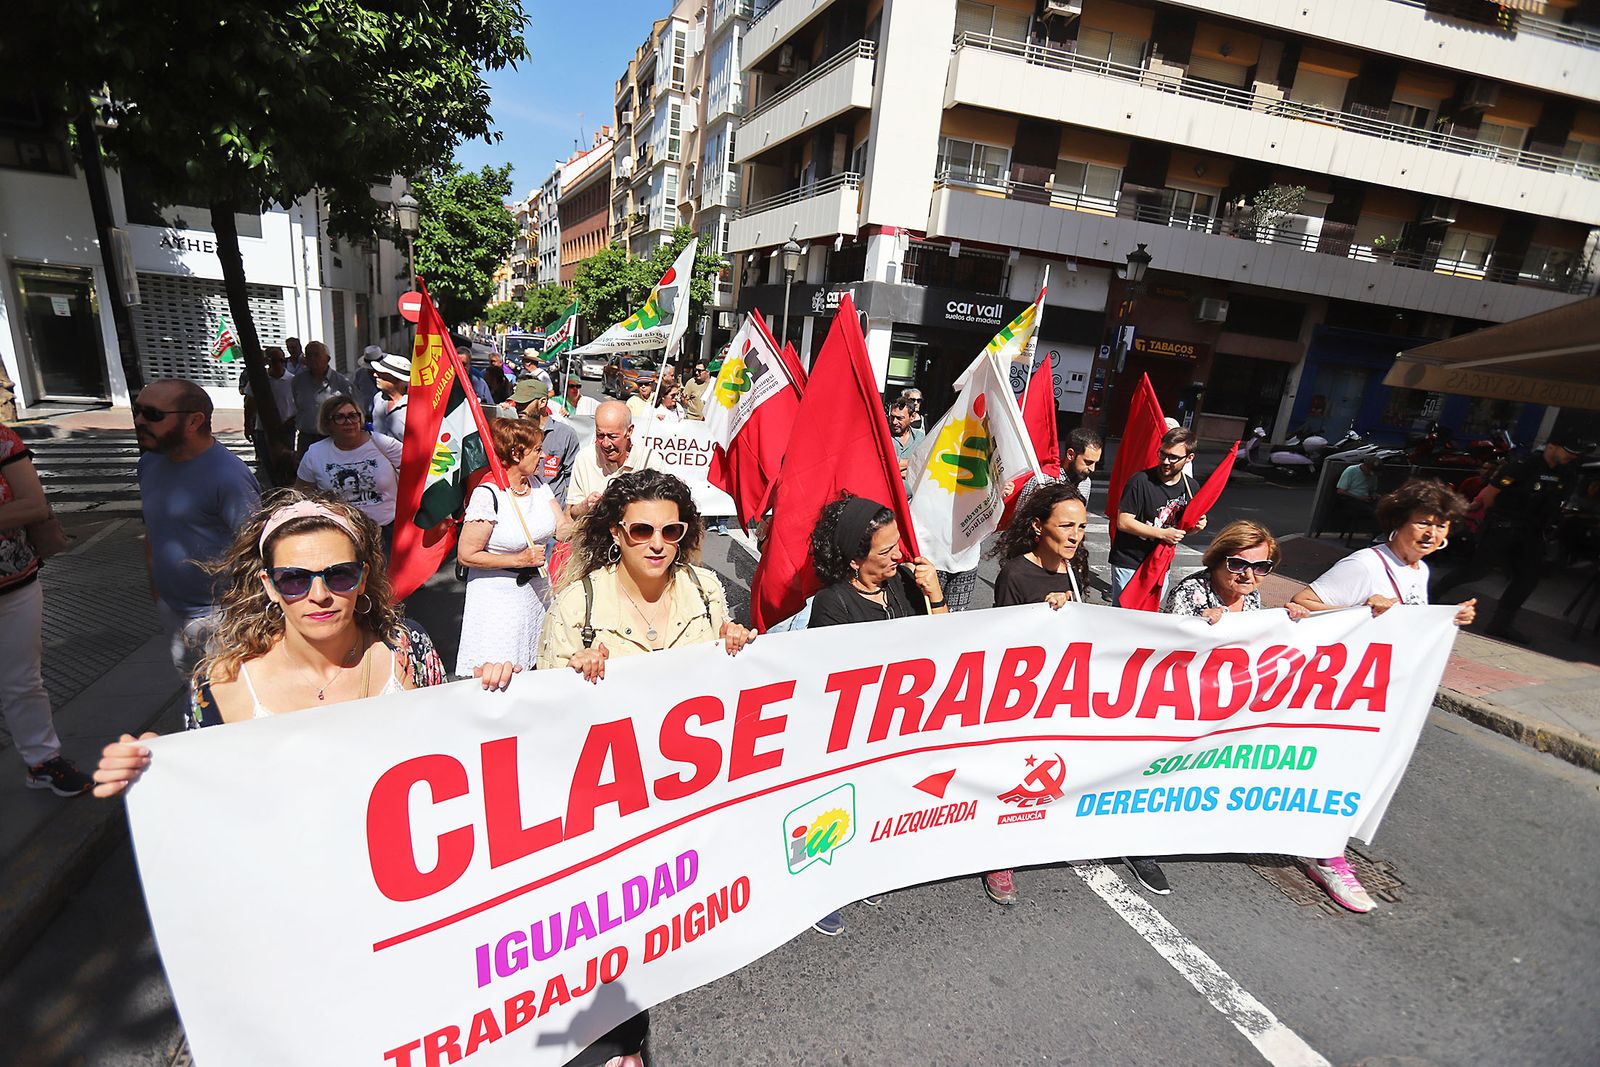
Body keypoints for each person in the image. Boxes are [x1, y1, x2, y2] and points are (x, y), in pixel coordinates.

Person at [536, 469, 753, 1067]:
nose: (657, 543)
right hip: (610, 801)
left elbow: (730, 691)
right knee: (612, 927)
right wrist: (571, 674)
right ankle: (617, 1043)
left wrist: (737, 644)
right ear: (617, 532)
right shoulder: (578, 602)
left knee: (666, 925)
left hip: (685, 796)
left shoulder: (707, 589)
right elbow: (543, 717)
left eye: (671, 531)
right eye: (641, 530)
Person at [92, 492, 518, 791]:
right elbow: (207, 796)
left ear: (363, 578)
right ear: (270, 586)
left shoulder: (409, 649)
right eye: (294, 579)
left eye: (340, 575)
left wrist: (492, 698)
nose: (319, 595)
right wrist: (154, 766)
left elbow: (448, 751)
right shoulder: (222, 683)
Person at [1290, 480, 1476, 913]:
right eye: (1424, 523)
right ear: (1398, 522)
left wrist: (1450, 619)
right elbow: (1301, 604)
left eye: (1441, 526)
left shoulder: (1420, 571)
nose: (1432, 534)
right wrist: (1359, 608)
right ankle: (1329, 857)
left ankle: (1320, 845)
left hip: (1383, 696)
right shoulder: (1366, 565)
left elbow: (1405, 629)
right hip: (1339, 694)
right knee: (1334, 773)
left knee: (1352, 775)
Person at [805, 494, 946, 934]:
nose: (898, 555)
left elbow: (946, 649)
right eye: (885, 551)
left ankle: (863, 867)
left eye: (896, 545)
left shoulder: (905, 582)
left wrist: (935, 597)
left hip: (899, 725)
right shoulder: (832, 605)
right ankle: (819, 888)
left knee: (879, 803)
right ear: (853, 562)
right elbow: (829, 678)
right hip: (850, 732)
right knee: (837, 809)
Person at [979, 482, 1092, 904]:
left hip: (1061, 686)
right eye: (1066, 525)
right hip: (1020, 693)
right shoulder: (1015, 573)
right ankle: (999, 856)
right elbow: (1004, 638)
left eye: (1080, 526)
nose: (1075, 535)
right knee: (1015, 772)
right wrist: (1042, 615)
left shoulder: (1075, 567)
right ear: (1037, 527)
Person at [136, 379, 262, 674]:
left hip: (219, 617)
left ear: (194, 421)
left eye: (153, 414)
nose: (140, 421)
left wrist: (239, 617)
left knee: (224, 700)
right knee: (193, 691)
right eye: (138, 411)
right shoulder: (150, 463)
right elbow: (154, 528)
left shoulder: (229, 477)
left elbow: (254, 552)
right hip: (173, 609)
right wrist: (159, 592)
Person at [0, 423, 93, 796]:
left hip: (15, 583)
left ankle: (43, 761)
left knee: (22, 679)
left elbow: (33, 504)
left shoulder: (3, 440)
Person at [1432, 434, 1592, 643]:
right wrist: (1496, 520)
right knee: (1476, 571)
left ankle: (1501, 623)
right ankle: (1431, 596)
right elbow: (1490, 495)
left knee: (1528, 578)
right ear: (1551, 446)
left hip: (1533, 532)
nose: (1572, 456)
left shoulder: (1567, 473)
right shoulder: (1523, 465)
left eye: (1575, 453)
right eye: (1568, 451)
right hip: (1504, 527)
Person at [457, 419, 569, 676]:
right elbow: (466, 555)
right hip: (499, 603)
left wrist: (592, 516)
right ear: (516, 453)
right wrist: (518, 559)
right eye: (537, 450)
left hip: (537, 594)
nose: (543, 456)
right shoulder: (488, 494)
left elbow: (561, 529)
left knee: (535, 664)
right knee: (501, 674)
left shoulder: (539, 485)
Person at [1109, 425, 1207, 607]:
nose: (1166, 461)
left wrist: (1196, 527)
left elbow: (1182, 529)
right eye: (1162, 454)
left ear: (1189, 458)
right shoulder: (1140, 481)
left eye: (1174, 457)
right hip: (1130, 561)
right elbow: (1124, 521)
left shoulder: (1191, 487)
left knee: (1148, 615)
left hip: (1161, 563)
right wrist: (1162, 534)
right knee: (1125, 615)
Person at [294, 395, 403, 549]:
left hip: (387, 534)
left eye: (353, 415)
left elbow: (417, 471)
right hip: (340, 536)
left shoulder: (383, 444)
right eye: (340, 417)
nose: (349, 422)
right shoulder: (315, 453)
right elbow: (302, 494)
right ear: (327, 423)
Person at [1164, 520, 1310, 624]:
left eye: (1260, 567)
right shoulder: (1188, 592)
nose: (1248, 575)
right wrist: (1195, 622)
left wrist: (1287, 618)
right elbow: (1167, 643)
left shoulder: (1251, 594)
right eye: (1238, 564)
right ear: (1217, 560)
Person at [566, 401, 662, 521]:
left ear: (629, 431)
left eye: (612, 437)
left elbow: (662, 510)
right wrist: (587, 505)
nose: (606, 444)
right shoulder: (585, 458)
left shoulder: (650, 459)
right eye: (600, 435)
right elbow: (573, 513)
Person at [511, 378, 581, 508]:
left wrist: (566, 515)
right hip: (521, 509)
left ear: (542, 402)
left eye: (525, 402)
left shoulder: (565, 434)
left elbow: (572, 479)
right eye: (517, 402)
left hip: (554, 512)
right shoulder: (512, 434)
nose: (519, 407)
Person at [240, 345, 297, 486]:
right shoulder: (258, 380)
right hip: (262, 429)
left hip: (286, 430)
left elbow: (301, 405)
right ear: (267, 361)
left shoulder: (293, 381)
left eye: (282, 361)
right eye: (274, 361)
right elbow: (250, 404)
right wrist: (247, 426)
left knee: (286, 465)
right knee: (268, 466)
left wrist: (294, 421)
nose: (278, 365)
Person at [1015, 427, 1103, 511]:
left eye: (1096, 463)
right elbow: (1020, 517)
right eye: (1088, 462)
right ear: (1070, 455)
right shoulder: (1043, 480)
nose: (1092, 469)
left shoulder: (1085, 483)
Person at [290, 341, 352, 456]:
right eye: (309, 355)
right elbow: (298, 406)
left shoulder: (342, 383)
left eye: (316, 355)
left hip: (332, 438)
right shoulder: (297, 381)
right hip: (306, 439)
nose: (312, 359)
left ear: (327, 359)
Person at [369, 353, 411, 441]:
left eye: (382, 373)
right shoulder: (378, 398)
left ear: (397, 379)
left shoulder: (414, 407)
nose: (375, 375)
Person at [888, 399, 923, 495]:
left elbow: (923, 466)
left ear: (912, 417)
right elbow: (883, 467)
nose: (894, 422)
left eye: (899, 418)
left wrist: (898, 465)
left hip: (910, 502)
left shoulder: (920, 438)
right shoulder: (882, 437)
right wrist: (912, 463)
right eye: (892, 417)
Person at [1335, 456, 1380, 528]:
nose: (1371, 474)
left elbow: (1372, 489)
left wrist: (1374, 494)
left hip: (1366, 498)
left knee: (1384, 509)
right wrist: (1359, 498)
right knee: (1373, 512)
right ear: (1364, 466)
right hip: (1350, 499)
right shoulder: (1351, 470)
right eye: (1369, 471)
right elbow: (1340, 491)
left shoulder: (1373, 475)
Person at [354, 345, 384, 420]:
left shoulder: (387, 374)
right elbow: (354, 395)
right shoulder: (359, 374)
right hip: (366, 417)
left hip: (384, 417)